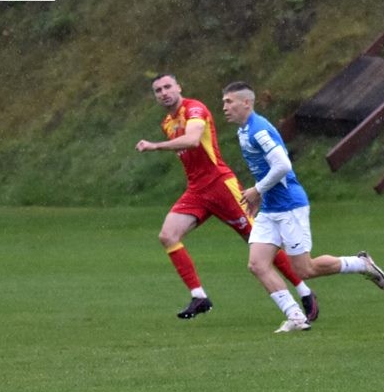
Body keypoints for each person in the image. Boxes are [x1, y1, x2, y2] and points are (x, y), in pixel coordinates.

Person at [136, 74, 318, 321]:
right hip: (197, 190)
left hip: (220, 185)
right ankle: (199, 296)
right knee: (168, 235)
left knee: (258, 240)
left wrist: (155, 146)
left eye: (168, 87)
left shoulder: (194, 108)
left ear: (179, 87)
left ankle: (304, 290)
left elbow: (193, 140)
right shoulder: (167, 122)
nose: (164, 92)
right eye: (158, 90)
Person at [221, 81, 384, 333]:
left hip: (290, 206)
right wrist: (259, 197)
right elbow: (265, 169)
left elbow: (283, 165)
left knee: (305, 269)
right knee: (257, 264)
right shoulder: (243, 132)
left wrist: (257, 190)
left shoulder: (259, 130)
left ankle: (360, 264)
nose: (224, 107)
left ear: (246, 103)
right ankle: (295, 317)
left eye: (229, 102)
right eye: (224, 102)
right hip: (270, 208)